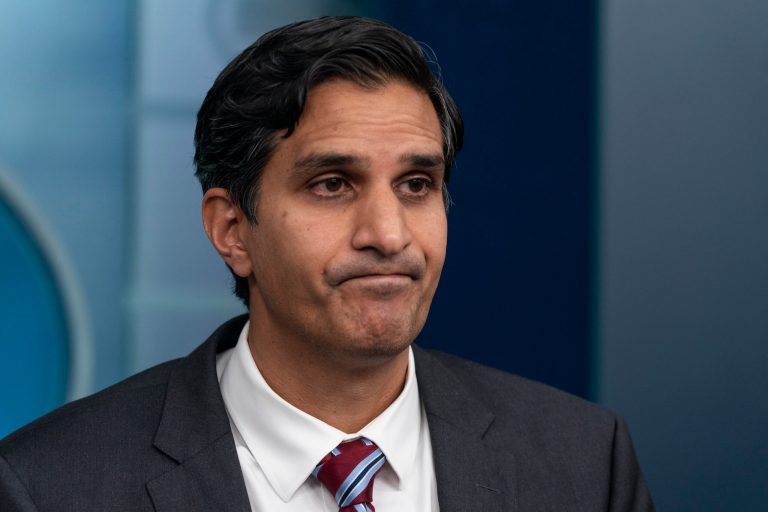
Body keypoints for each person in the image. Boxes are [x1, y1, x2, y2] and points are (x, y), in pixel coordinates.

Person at [0, 16, 654, 511]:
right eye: (333, 184)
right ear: (232, 230)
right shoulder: (51, 486)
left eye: (416, 184)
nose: (388, 233)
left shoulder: (583, 466)